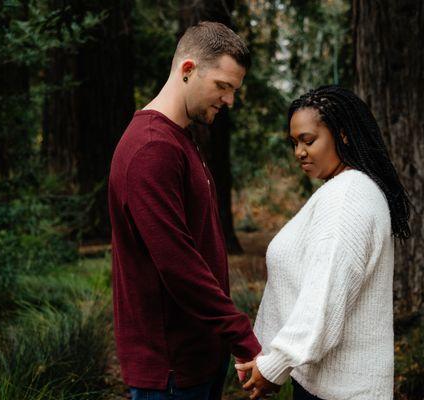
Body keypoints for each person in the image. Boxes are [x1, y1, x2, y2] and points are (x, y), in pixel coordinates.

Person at [108, 21, 261, 400]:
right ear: (188, 70)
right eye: (223, 86)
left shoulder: (177, 139)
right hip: (171, 372)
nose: (229, 101)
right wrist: (245, 341)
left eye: (234, 90)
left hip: (196, 362)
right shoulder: (151, 149)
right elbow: (179, 265)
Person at [236, 85, 411, 400]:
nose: (299, 152)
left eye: (308, 140)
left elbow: (325, 299)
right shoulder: (346, 189)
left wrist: (275, 364)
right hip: (327, 385)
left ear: (342, 135)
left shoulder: (348, 197)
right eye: (294, 143)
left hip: (340, 393)